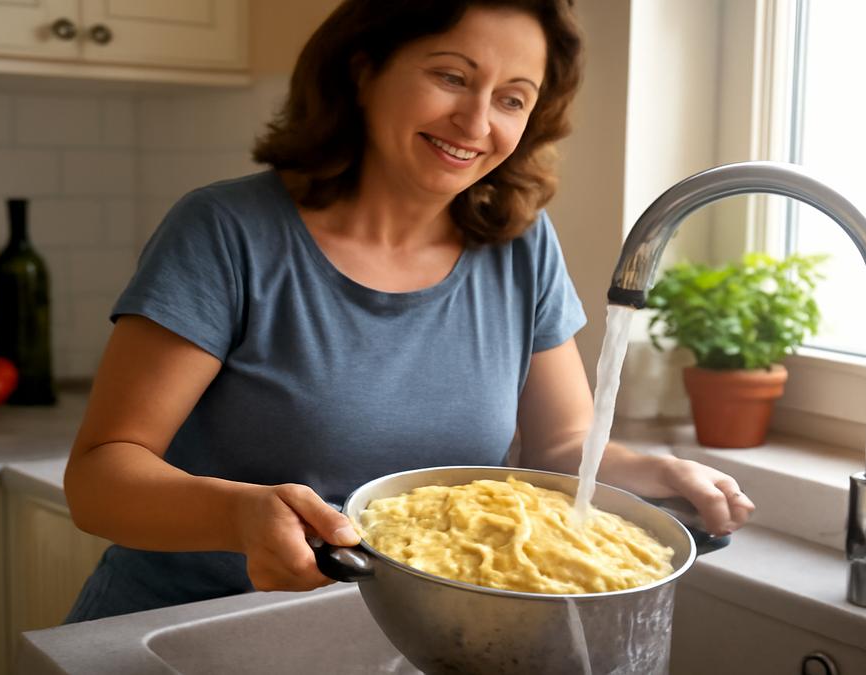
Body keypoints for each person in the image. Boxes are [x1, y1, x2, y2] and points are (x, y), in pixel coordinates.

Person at [63, 0, 756, 622]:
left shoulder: (520, 244)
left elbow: (561, 447)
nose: (476, 122)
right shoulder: (227, 231)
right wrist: (238, 517)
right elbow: (98, 478)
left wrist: (660, 472)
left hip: (399, 635)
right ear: (363, 69)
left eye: (512, 99)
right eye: (451, 77)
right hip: (181, 627)